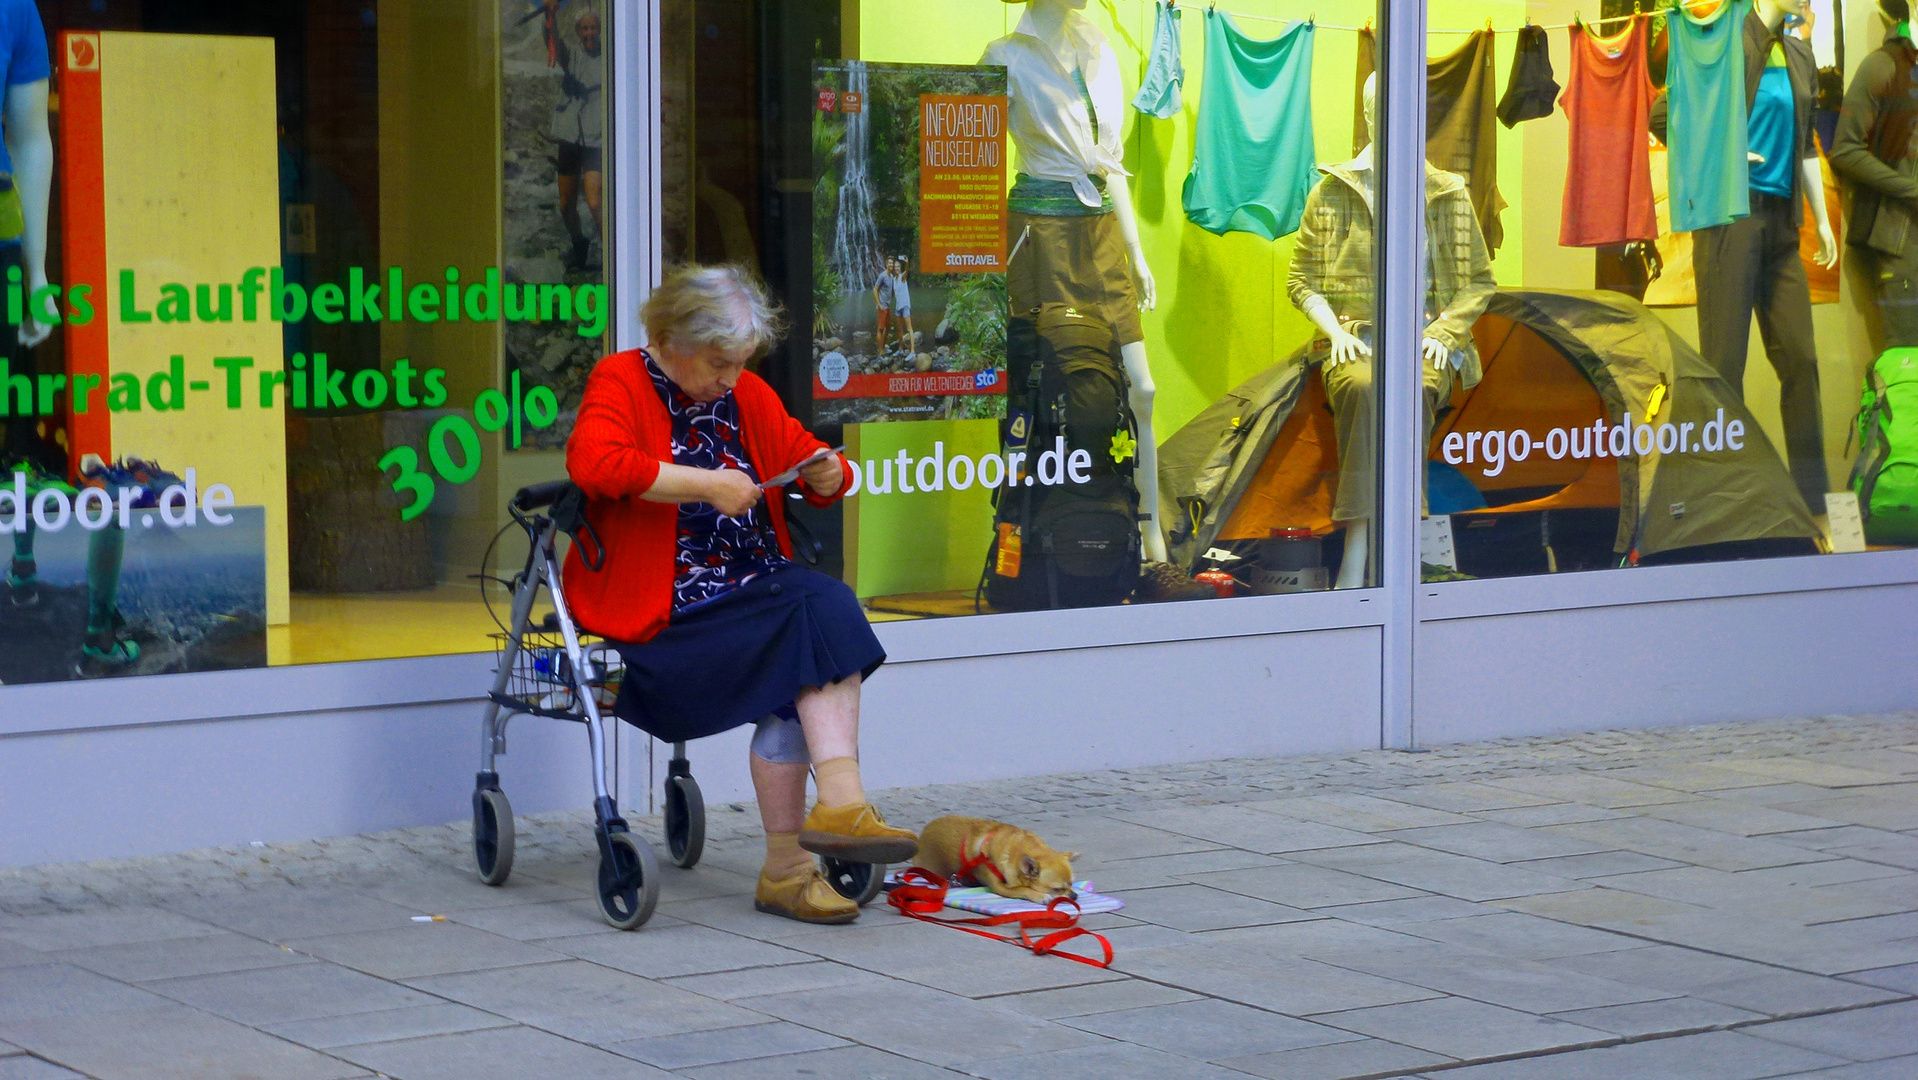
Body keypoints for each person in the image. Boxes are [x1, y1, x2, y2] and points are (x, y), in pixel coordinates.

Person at [564, 264, 918, 924]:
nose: (730, 377)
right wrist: (705, 484)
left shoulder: (747, 396)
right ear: (671, 339)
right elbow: (594, 463)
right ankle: (832, 813)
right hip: (667, 618)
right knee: (818, 610)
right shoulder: (621, 379)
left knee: (816, 629)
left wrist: (827, 470)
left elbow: (820, 470)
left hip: (754, 602)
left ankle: (800, 855)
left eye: (740, 361)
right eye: (719, 362)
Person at [1289, 74, 1496, 588]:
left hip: (1423, 336)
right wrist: (1333, 330)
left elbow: (1478, 281)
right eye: (1383, 107)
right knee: (1364, 387)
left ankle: (1381, 546)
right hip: (1355, 336)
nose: (1396, 118)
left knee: (1414, 390)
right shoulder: (1333, 192)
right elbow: (1300, 279)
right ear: (1366, 115)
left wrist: (1448, 332)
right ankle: (1366, 546)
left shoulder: (1448, 193)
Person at [1832, 0, 1918, 348]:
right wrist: (1911, 188)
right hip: (1901, 241)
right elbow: (1845, 149)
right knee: (1908, 371)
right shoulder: (1884, 65)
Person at [546, 0, 604, 270]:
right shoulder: (572, 56)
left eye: (593, 28)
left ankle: (610, 253)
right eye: (584, 29)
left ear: (600, 30)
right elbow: (552, 41)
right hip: (570, 137)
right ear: (579, 32)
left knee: (594, 201)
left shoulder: (610, 59)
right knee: (566, 203)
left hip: (596, 139)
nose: (589, 33)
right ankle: (579, 243)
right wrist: (550, 14)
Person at [872, 256, 899, 354]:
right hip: (882, 307)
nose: (891, 265)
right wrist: (879, 305)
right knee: (880, 329)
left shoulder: (891, 277)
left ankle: (883, 346)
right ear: (886, 265)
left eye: (892, 263)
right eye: (890, 263)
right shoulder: (882, 276)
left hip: (887, 307)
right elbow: (875, 290)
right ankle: (880, 351)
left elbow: (892, 291)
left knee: (888, 326)